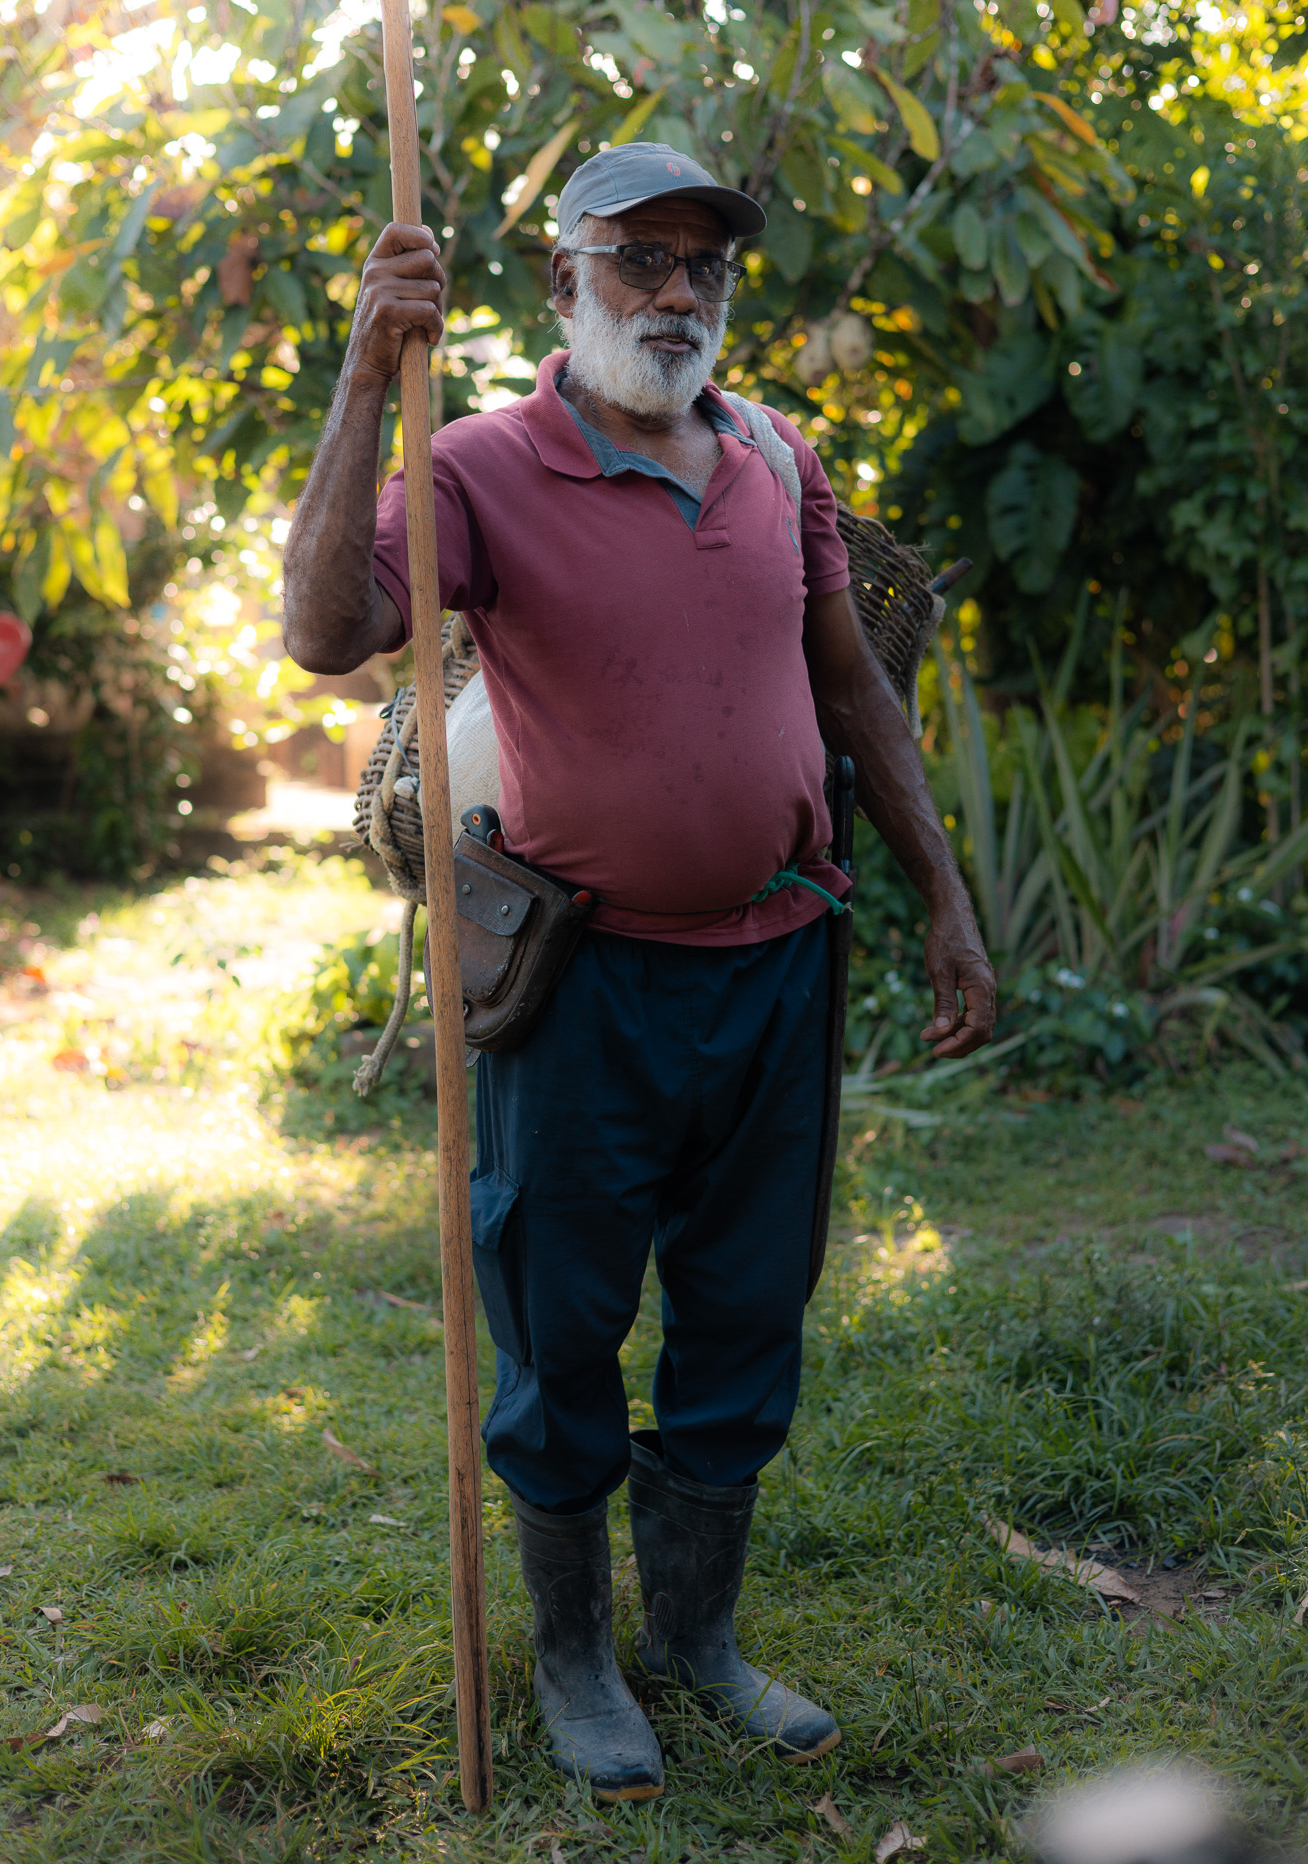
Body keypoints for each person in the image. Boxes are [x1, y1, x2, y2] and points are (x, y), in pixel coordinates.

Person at [283, 142, 996, 1801]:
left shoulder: (771, 456)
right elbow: (325, 633)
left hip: (777, 967)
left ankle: (694, 1637)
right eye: (639, 260)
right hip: (582, 988)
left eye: (703, 265)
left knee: (746, 1310)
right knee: (561, 1317)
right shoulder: (474, 465)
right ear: (565, 283)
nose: (677, 292)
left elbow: (852, 694)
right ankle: (574, 1657)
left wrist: (944, 900)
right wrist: (364, 371)